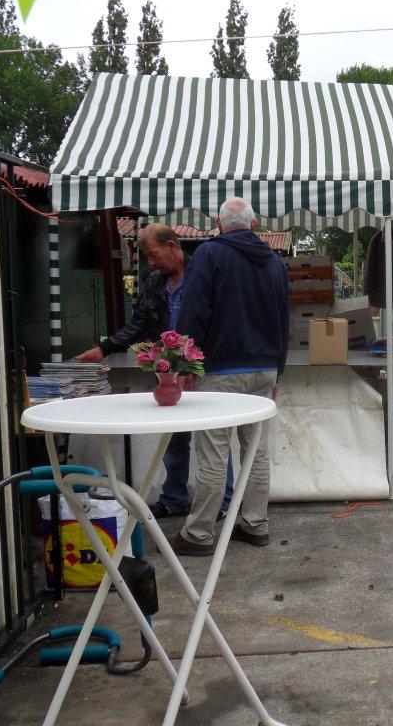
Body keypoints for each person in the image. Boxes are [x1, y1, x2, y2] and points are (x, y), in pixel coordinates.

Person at [75, 224, 234, 519]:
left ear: (171, 246)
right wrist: (104, 348)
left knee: (215, 439)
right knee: (173, 439)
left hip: (203, 367)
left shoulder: (204, 273)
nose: (150, 263)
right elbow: (139, 324)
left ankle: (223, 503)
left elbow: (221, 321)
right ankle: (174, 499)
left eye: (153, 255)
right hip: (168, 370)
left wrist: (198, 364)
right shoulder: (153, 281)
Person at [171, 198, 289, 556]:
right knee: (256, 451)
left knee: (213, 454)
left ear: (219, 225)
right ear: (254, 225)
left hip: (220, 371)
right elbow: (284, 318)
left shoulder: (208, 254)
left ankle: (199, 534)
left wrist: (185, 365)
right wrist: (277, 369)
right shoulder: (273, 261)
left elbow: (194, 311)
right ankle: (255, 524)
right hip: (263, 369)